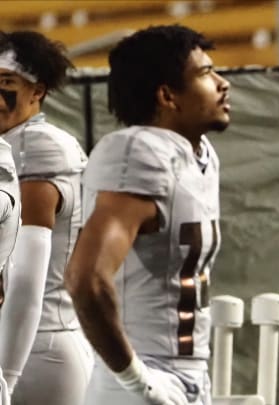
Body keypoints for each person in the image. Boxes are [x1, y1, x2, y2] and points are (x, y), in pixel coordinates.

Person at [64, 25, 230, 405]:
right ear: (167, 95)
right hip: (143, 378)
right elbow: (85, 279)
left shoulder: (199, 155)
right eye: (205, 73)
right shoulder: (139, 150)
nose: (222, 83)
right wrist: (138, 381)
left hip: (188, 374)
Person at [0, 30, 93, 405]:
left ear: (37, 90)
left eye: (6, 82)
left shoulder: (36, 147)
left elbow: (26, 276)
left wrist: (5, 374)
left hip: (35, 344)